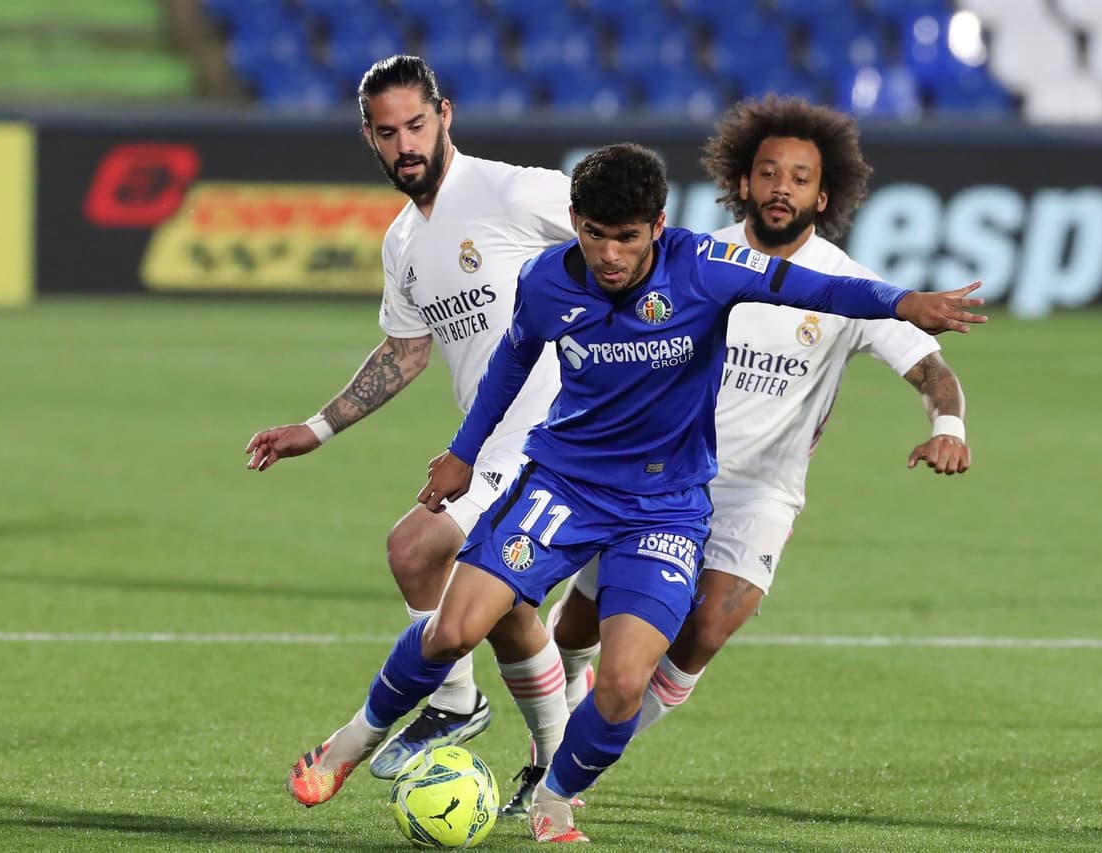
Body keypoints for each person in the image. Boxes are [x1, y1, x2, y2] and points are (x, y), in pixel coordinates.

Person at [284, 141, 986, 842]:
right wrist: (463, 454)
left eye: (626, 237)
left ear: (657, 224)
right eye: (594, 235)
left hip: (666, 508)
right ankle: (349, 742)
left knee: (622, 684)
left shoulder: (705, 267)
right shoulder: (547, 280)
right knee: (454, 628)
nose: (609, 255)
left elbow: (819, 288)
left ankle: (554, 796)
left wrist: (903, 303)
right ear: (575, 221)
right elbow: (511, 362)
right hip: (565, 482)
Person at [547, 97, 974, 746]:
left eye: (800, 179)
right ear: (742, 182)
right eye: (770, 172)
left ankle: (568, 762)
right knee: (578, 627)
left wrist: (949, 427)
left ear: (824, 197)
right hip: (657, 477)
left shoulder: (848, 286)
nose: (783, 189)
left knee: (706, 630)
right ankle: (559, 716)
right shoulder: (689, 260)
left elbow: (933, 372)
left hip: (759, 493)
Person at [245, 55, 580, 789]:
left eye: (418, 125)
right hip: (491, 437)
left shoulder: (513, 191)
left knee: (416, 545)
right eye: (388, 132)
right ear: (368, 136)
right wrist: (318, 427)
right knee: (505, 607)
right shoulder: (402, 241)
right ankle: (554, 769)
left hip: (557, 432)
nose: (407, 145)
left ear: (446, 115)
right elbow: (405, 351)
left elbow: (632, 232)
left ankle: (455, 702)